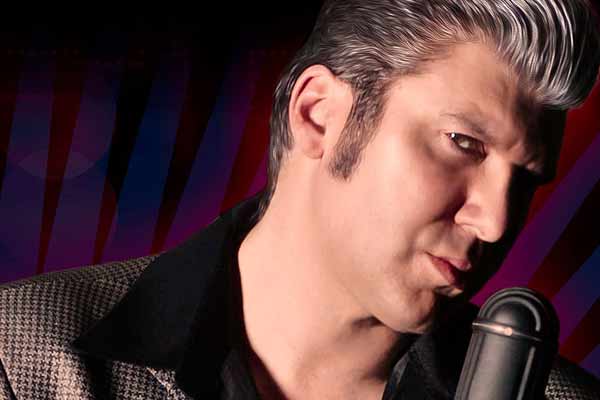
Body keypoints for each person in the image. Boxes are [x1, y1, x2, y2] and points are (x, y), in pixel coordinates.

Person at [2, 0, 600, 399]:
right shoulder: (21, 360)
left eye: (526, 181)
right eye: (463, 143)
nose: (495, 222)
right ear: (319, 115)